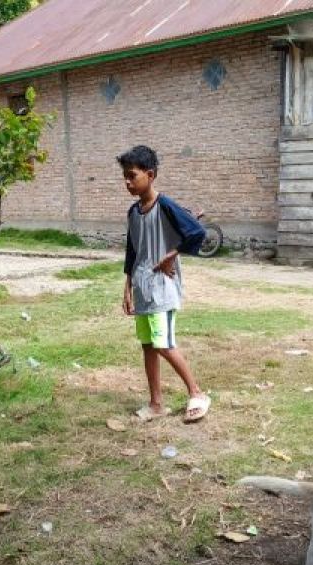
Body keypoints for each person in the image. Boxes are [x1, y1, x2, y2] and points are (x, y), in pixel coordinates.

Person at [117, 145, 211, 423]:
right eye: (124, 176)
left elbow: (197, 232)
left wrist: (172, 255)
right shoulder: (133, 212)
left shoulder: (166, 205)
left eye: (132, 175)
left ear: (151, 174)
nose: (127, 182)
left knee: (163, 343)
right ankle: (156, 403)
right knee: (148, 345)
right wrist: (127, 287)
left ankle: (197, 393)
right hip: (142, 286)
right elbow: (131, 251)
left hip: (163, 287)